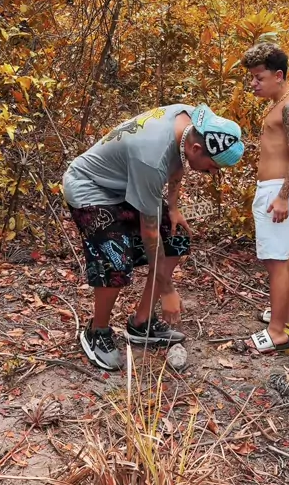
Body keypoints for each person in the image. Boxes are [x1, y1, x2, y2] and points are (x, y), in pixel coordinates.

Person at [63, 103, 244, 371]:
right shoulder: (151, 157)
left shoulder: (191, 120)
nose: (214, 172)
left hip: (127, 184)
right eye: (213, 166)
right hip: (91, 187)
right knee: (116, 256)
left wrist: (173, 208)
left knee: (175, 237)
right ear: (197, 149)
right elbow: (149, 233)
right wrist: (168, 290)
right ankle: (96, 331)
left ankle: (141, 323)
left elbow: (178, 160)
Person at [241, 43, 289, 354]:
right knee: (281, 257)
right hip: (273, 189)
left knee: (275, 261)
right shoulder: (278, 102)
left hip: (278, 191)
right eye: (252, 77)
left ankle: (277, 332)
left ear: (278, 76)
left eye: (259, 78)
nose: (253, 83)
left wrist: (282, 197)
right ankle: (286, 317)